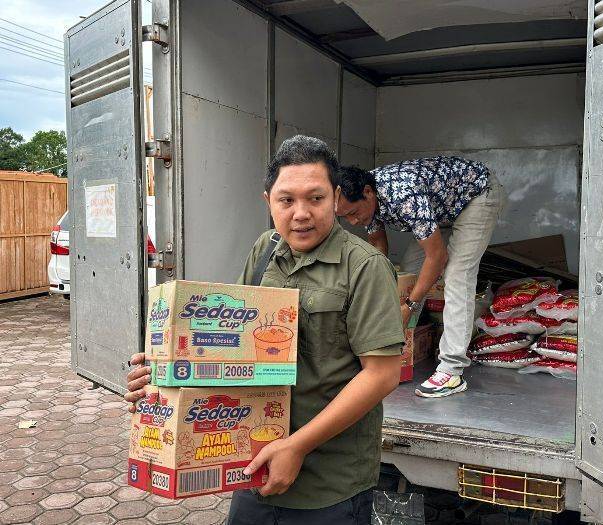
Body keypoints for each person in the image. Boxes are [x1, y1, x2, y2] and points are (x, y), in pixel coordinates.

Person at [125, 135, 405, 524]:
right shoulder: (265, 250)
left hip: (329, 485)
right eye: (286, 200)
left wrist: (296, 446)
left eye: (316, 198)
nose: (301, 213)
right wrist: (161, 376)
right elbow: (233, 349)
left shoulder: (365, 267)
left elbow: (382, 374)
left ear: (337, 198)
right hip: (253, 466)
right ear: (268, 201)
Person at [335, 157, 507, 398]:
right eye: (345, 217)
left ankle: (452, 370)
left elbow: (437, 257)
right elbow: (378, 248)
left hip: (476, 195)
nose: (353, 221)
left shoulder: (403, 196)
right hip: (442, 206)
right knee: (409, 274)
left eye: (353, 213)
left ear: (368, 193)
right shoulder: (363, 197)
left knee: (457, 275)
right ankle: (399, 350)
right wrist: (375, 290)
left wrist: (409, 306)